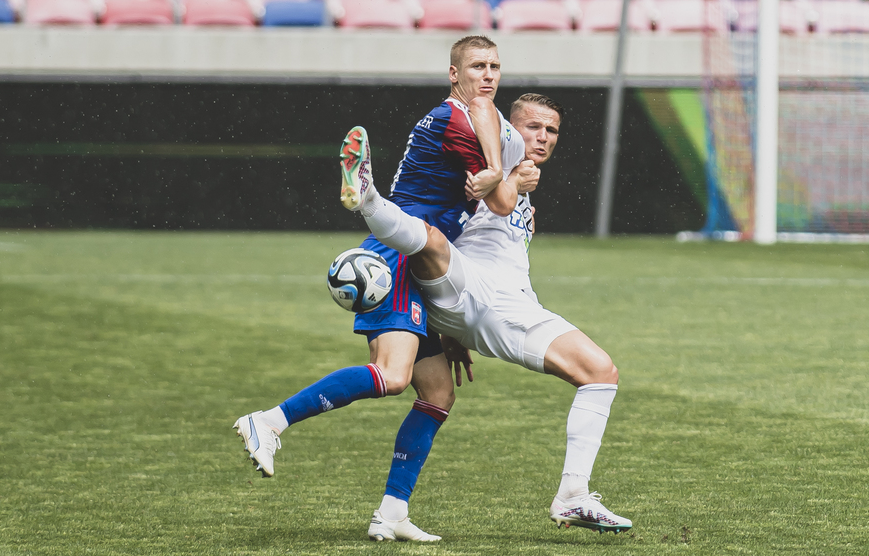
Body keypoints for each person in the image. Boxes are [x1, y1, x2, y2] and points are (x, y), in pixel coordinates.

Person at [232, 35, 527, 542]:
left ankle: (392, 513)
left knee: (438, 393)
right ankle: (270, 421)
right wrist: (514, 177)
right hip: (399, 259)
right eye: (477, 66)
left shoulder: (462, 118)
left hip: (422, 262)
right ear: (453, 74)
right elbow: (500, 202)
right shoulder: (459, 120)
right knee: (392, 376)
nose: (488, 75)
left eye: (495, 66)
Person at [345, 93, 633, 536]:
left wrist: (452, 331)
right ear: (507, 130)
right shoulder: (485, 173)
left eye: (551, 130)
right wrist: (505, 175)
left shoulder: (520, 189)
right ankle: (370, 201)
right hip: (492, 301)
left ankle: (392, 511)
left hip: (503, 303)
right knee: (598, 370)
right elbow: (457, 218)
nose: (543, 136)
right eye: (532, 127)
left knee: (595, 375)